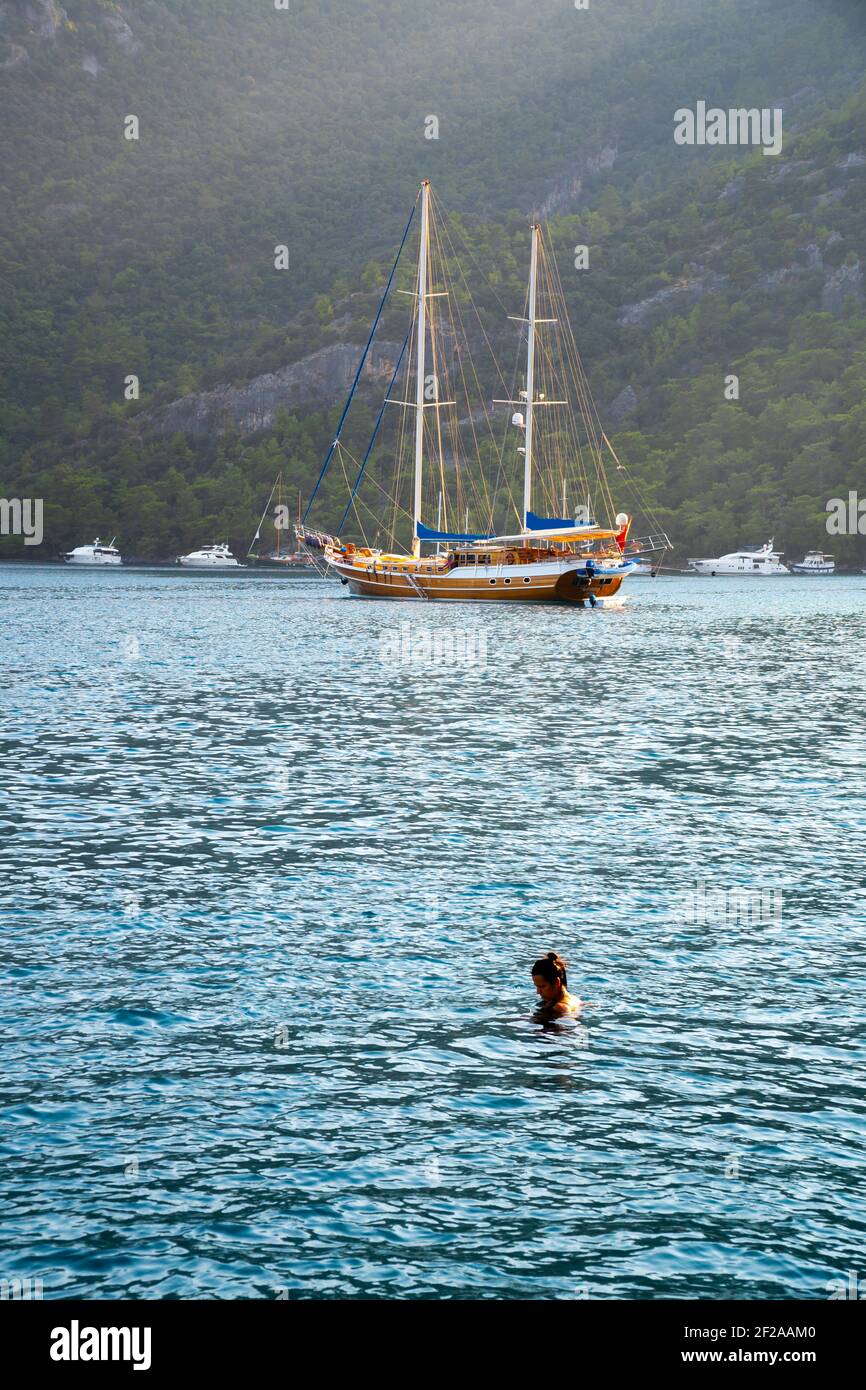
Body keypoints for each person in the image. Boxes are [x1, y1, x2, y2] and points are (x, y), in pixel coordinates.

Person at [531, 951, 583, 1021]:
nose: (538, 992)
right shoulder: (575, 999)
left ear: (557, 982)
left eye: (542, 986)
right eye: (536, 986)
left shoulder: (559, 1008)